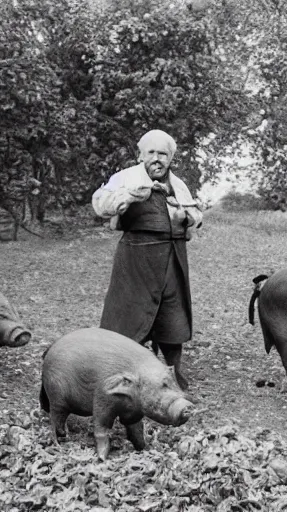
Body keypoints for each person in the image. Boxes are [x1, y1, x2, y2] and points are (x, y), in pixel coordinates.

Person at [91, 129, 203, 390]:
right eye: (151, 152)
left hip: (173, 258)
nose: (156, 159)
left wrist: (184, 217)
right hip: (136, 257)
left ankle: (174, 372)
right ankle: (121, 372)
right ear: (141, 155)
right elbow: (100, 204)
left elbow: (196, 216)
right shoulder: (126, 177)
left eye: (162, 154)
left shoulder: (179, 184)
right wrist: (128, 196)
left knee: (173, 315)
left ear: (171, 158)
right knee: (128, 314)